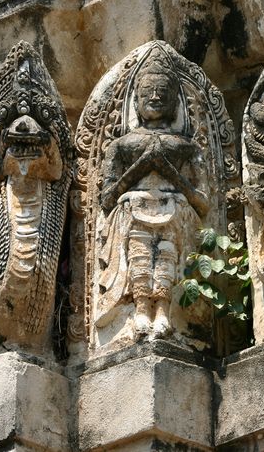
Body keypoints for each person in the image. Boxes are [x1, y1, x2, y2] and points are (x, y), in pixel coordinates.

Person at [95, 55, 209, 338]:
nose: (155, 96)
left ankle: (163, 312)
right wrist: (143, 165)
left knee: (167, 257)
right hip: (133, 212)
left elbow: (203, 201)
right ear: (136, 100)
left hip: (174, 212)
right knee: (141, 258)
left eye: (163, 91)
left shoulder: (186, 147)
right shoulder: (121, 145)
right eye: (148, 91)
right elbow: (107, 198)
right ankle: (141, 309)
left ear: (175, 101)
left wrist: (169, 171)